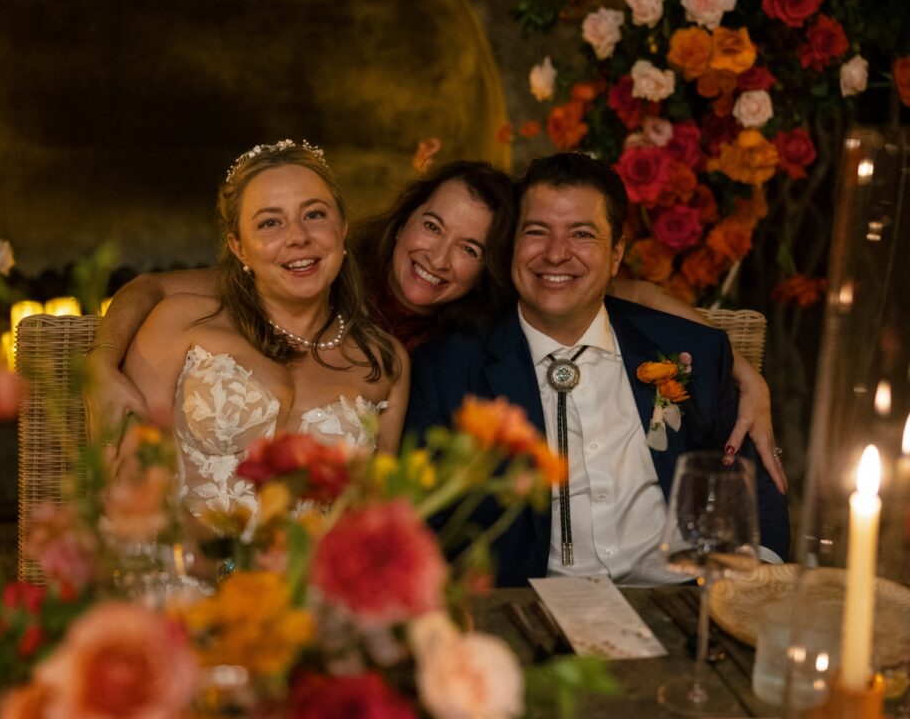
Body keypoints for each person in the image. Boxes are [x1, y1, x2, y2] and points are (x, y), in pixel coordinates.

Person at [86, 159, 787, 493]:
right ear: (404, 219)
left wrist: (732, 365)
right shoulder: (318, 264)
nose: (438, 258)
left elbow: (620, 287)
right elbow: (148, 285)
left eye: (471, 248)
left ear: (491, 266)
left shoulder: (475, 329)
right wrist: (99, 362)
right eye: (431, 226)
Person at [404, 152, 789, 587]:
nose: (555, 254)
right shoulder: (450, 368)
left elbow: (751, 483)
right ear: (511, 245)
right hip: (528, 615)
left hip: (680, 599)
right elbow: (426, 521)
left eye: (581, 234)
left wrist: (753, 584)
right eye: (536, 232)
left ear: (616, 253)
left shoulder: (692, 351)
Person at [119, 140, 408, 518]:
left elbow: (374, 519)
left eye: (315, 215)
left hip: (311, 576)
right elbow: (127, 479)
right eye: (270, 222)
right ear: (238, 247)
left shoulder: (384, 361)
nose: (297, 237)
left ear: (343, 229)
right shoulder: (180, 323)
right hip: (180, 568)